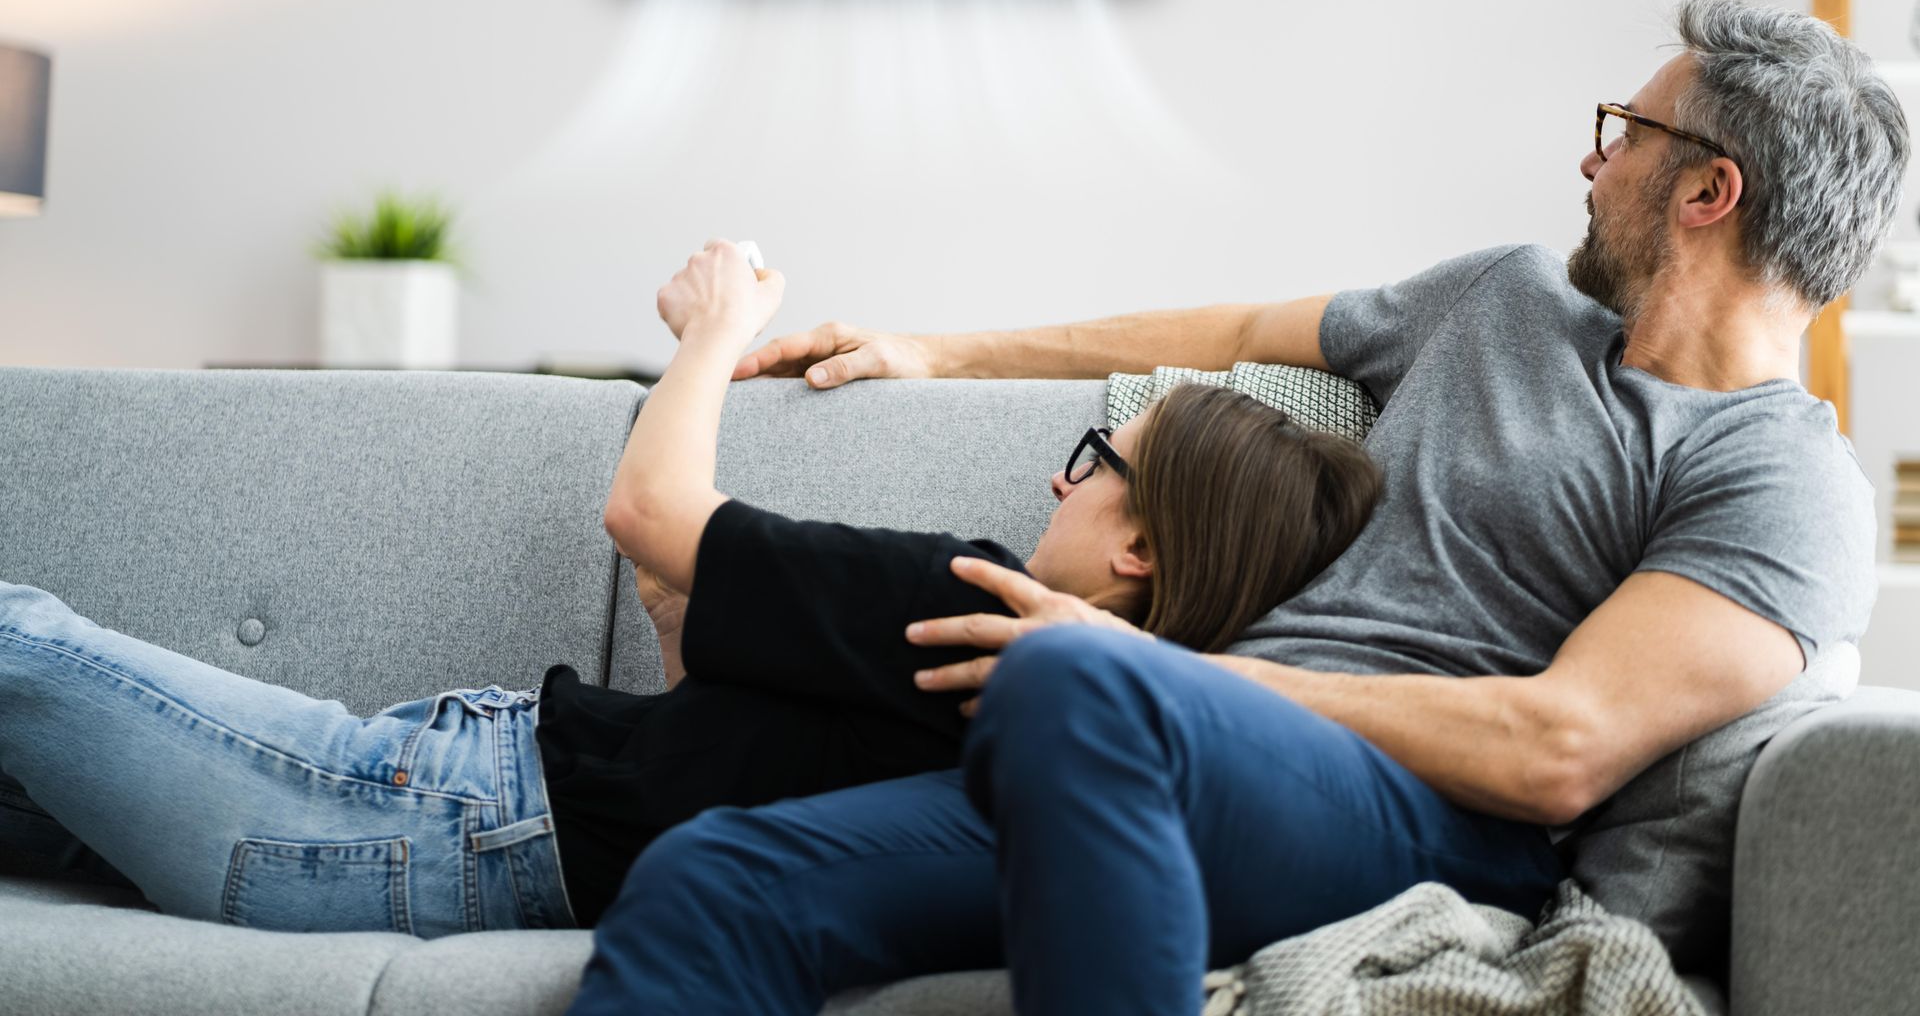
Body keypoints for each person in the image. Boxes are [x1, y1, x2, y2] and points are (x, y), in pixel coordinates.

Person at [568, 0, 1911, 1016]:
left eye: (1624, 136)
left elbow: (1553, 749)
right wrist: (942, 349)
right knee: (711, 880)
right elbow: (1242, 324)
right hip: (1161, 758)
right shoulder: (1502, 297)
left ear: (1706, 190)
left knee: (1069, 687)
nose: (1590, 164)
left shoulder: (1781, 479)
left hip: (1424, 821)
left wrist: (1158, 672)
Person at [0, 244, 1382, 938]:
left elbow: (645, 511)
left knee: (18, 639)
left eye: (1095, 464)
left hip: (412, 812)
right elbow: (713, 726)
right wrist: (685, 615)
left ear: (1139, 548)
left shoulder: (972, 598)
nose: (1058, 487)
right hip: (446, 804)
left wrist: (714, 328)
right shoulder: (1074, 734)